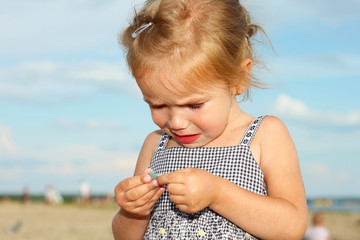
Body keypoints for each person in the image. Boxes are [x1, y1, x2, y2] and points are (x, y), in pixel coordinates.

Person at [112, 0, 308, 239]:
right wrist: (132, 211)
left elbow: (292, 228)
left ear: (238, 78)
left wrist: (218, 194)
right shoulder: (156, 144)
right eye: (158, 105)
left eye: (194, 105)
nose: (176, 123)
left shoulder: (264, 135)